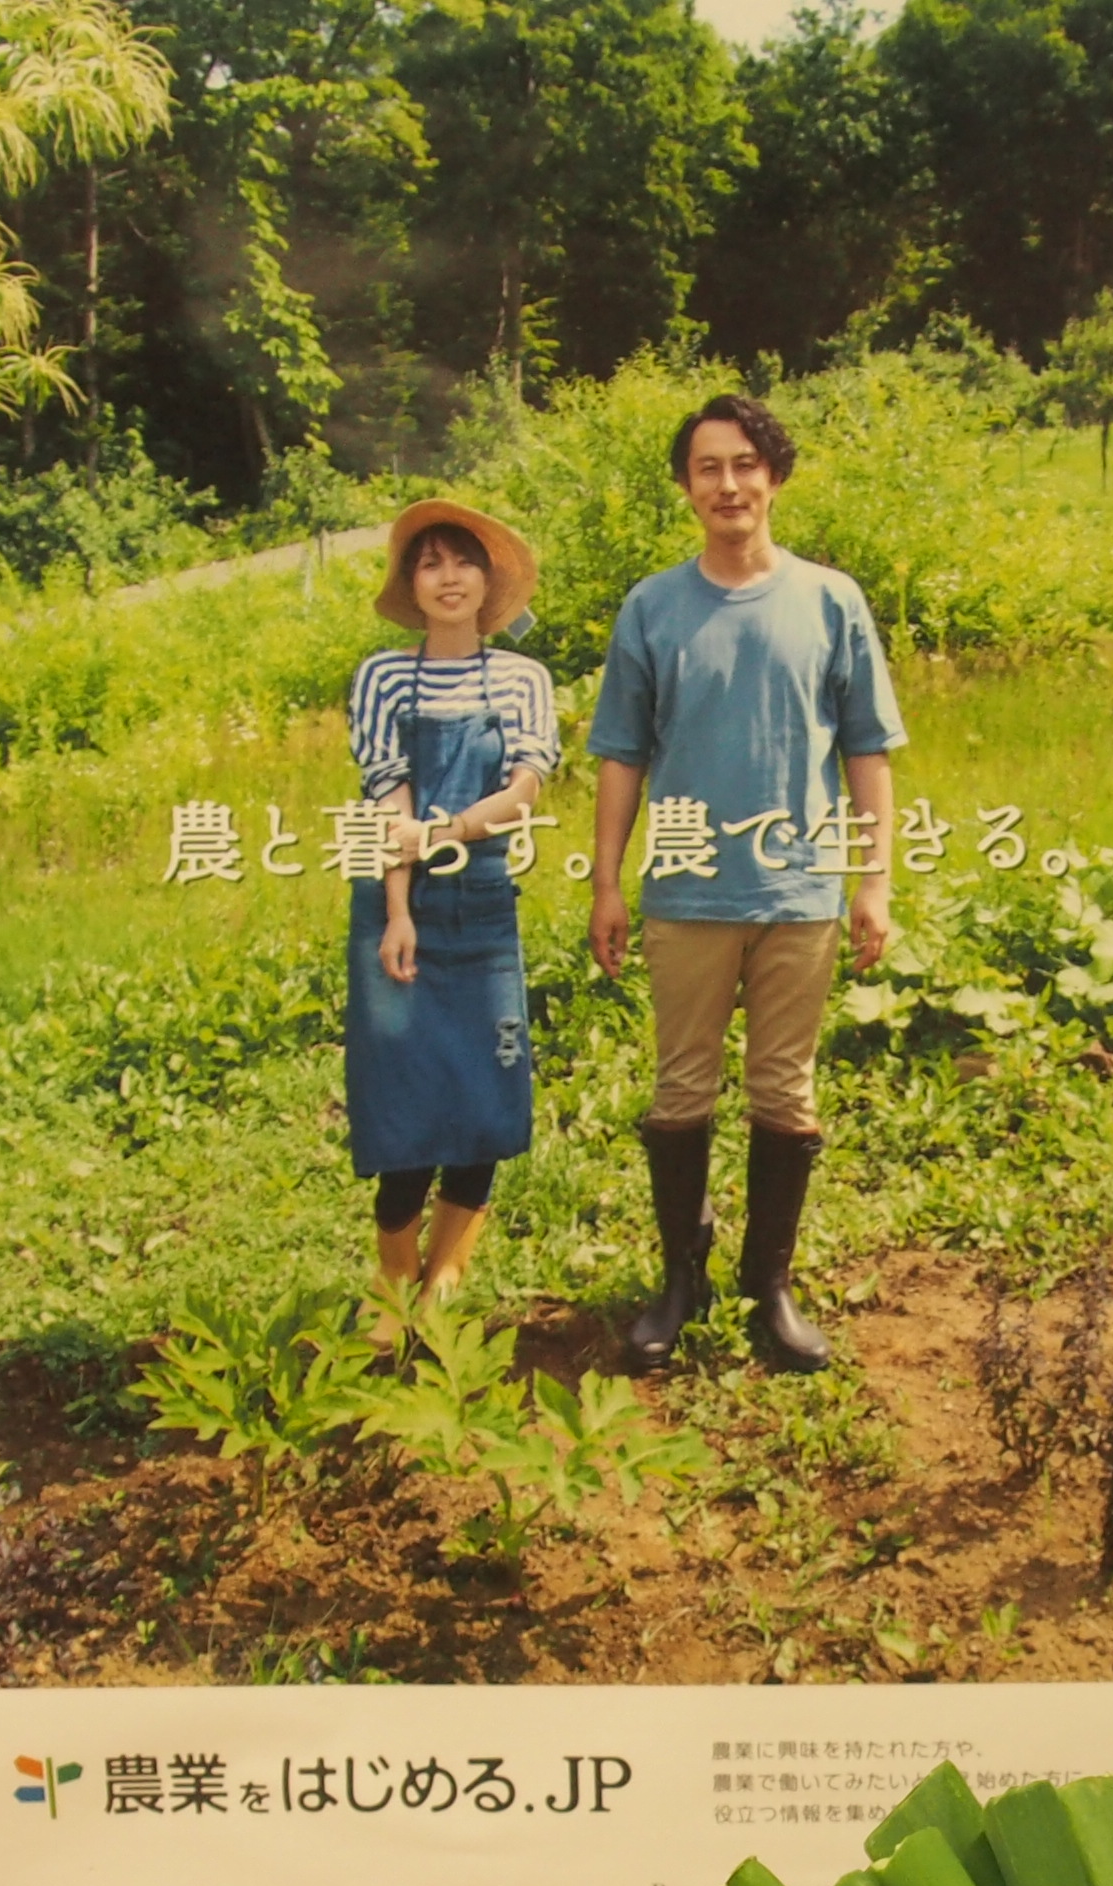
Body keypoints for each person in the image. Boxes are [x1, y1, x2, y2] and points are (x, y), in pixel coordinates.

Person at [585, 390, 903, 1376]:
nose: (727, 483)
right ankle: (680, 1281)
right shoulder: (653, 607)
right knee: (681, 1091)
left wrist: (873, 882)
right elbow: (619, 758)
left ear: (774, 475)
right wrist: (605, 884)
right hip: (685, 893)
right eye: (706, 468)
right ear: (686, 487)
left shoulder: (830, 600)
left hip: (799, 894)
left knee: (785, 1092)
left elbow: (867, 751)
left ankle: (769, 1286)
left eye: (743, 465)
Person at [344, 498, 554, 1301]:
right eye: (429, 563)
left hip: (484, 904)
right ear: (411, 583)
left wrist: (452, 832)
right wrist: (398, 910)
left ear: (488, 577)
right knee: (400, 1100)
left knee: (486, 1093)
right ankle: (395, 1287)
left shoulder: (523, 678)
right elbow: (385, 800)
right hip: (398, 909)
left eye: (461, 560)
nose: (447, 576)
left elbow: (525, 791)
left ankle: (447, 1278)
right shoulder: (384, 675)